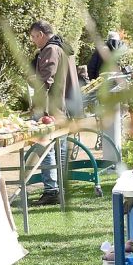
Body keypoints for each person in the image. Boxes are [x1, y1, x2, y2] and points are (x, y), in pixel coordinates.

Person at [28, 20, 80, 205]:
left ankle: (52, 189)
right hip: (63, 106)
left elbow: (46, 78)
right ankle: (60, 188)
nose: (34, 41)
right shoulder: (64, 48)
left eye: (34, 37)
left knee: (46, 148)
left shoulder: (51, 49)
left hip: (50, 107)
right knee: (60, 148)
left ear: (41, 34)